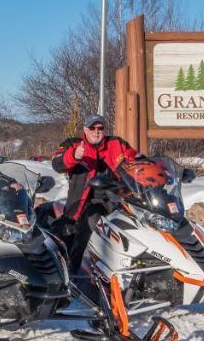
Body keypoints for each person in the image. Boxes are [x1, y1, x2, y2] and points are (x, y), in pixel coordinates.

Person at [50, 114, 144, 271]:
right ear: (85, 129)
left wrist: (159, 168)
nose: (96, 131)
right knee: (82, 228)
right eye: (92, 128)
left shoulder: (116, 143)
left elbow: (137, 159)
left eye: (100, 128)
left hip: (116, 200)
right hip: (80, 203)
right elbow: (57, 163)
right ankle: (72, 272)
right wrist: (74, 156)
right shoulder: (73, 144)